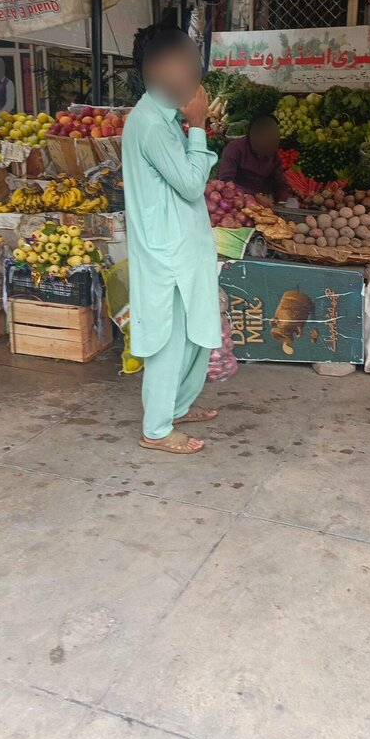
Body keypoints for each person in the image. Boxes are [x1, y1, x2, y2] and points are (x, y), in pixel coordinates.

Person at [122, 23, 221, 456]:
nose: (194, 71)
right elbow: (190, 185)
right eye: (184, 62)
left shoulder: (163, 118)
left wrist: (189, 123)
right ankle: (157, 429)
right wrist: (198, 125)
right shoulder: (151, 125)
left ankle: (177, 406)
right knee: (169, 341)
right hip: (169, 258)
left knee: (196, 335)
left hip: (183, 252)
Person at [218, 113, 289, 205]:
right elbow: (225, 181)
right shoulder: (235, 149)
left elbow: (280, 183)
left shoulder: (274, 155)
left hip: (257, 202)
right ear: (251, 134)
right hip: (233, 199)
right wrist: (254, 196)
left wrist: (281, 202)